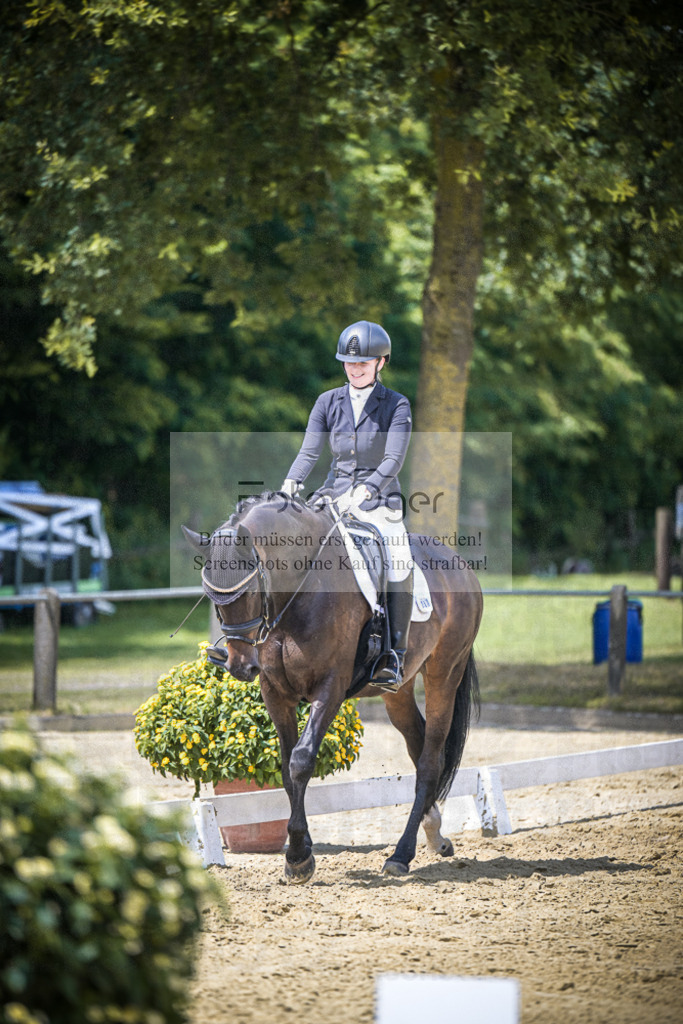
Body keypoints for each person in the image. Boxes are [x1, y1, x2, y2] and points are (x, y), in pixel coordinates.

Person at [281, 320, 414, 690]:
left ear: (380, 363)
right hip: (333, 496)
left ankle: (394, 654)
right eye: (350, 363)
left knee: (398, 554)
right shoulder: (327, 402)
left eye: (363, 364)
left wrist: (368, 489)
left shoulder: (397, 405)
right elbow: (309, 451)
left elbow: (393, 459)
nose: (355, 369)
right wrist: (291, 482)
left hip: (380, 498)